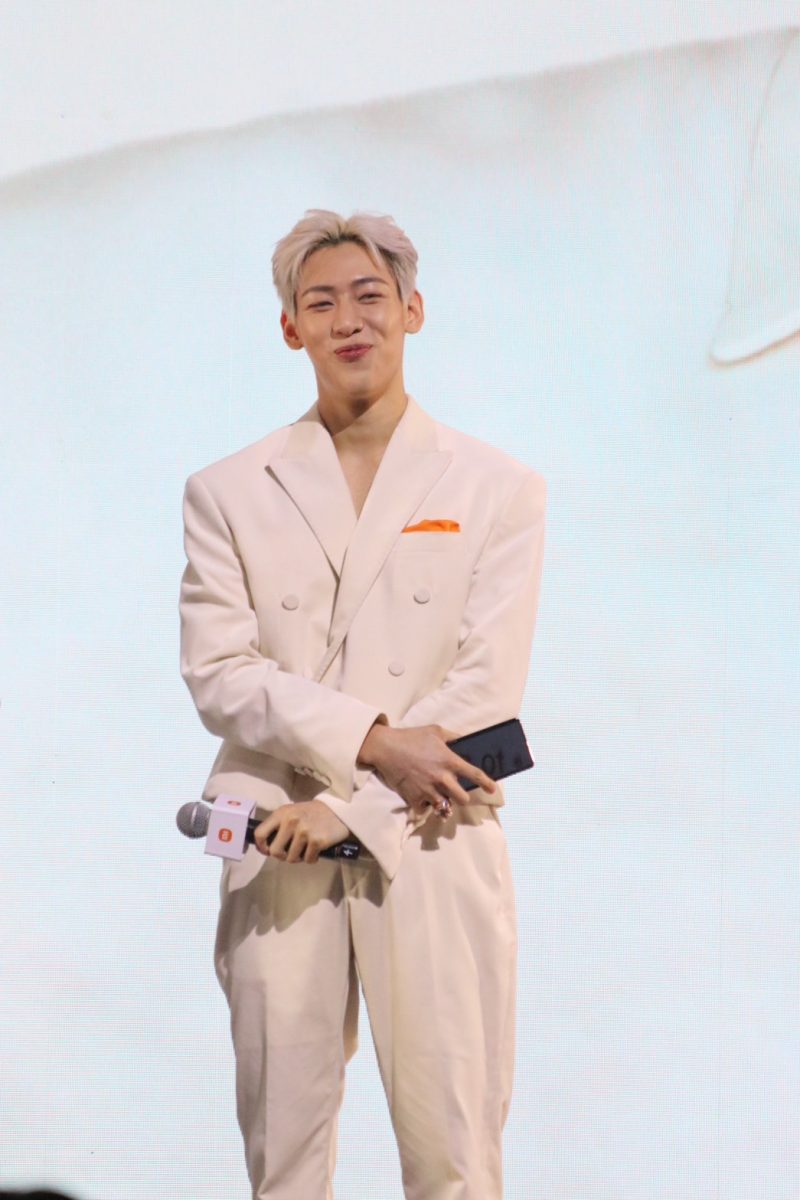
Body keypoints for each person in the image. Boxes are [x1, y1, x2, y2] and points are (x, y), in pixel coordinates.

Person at [179, 209, 547, 1200]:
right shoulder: (226, 490)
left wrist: (349, 810)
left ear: (412, 309)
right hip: (274, 834)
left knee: (454, 1156)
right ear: (289, 327)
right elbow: (220, 672)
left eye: (370, 296)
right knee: (284, 1160)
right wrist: (372, 743)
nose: (349, 321)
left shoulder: (499, 487)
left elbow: (484, 687)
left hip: (430, 831)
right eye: (321, 302)